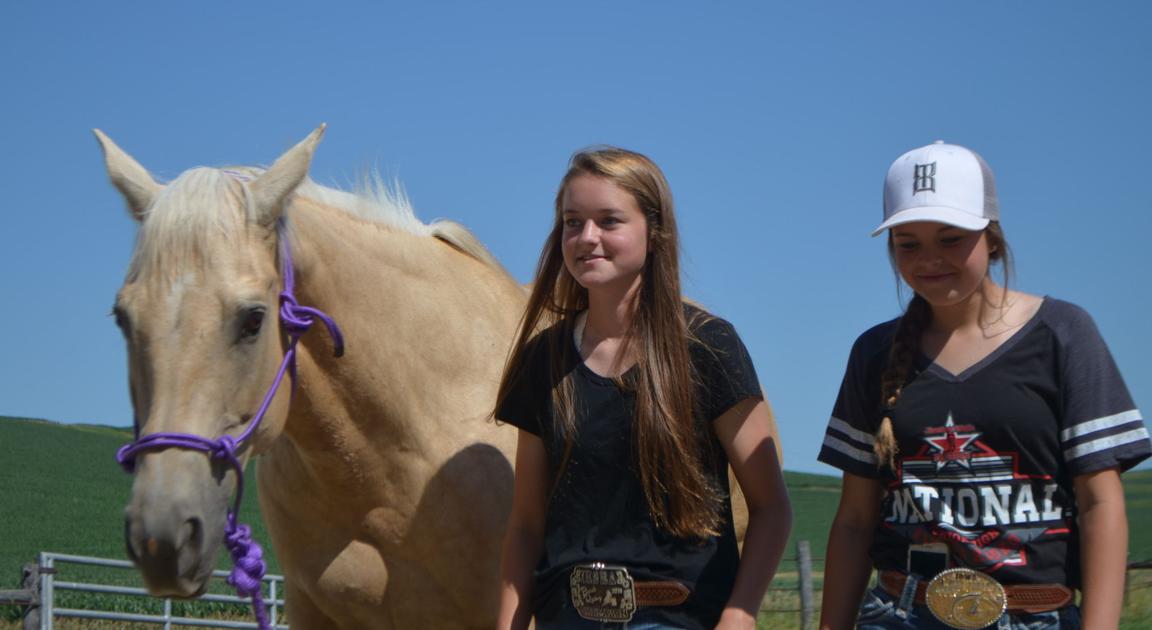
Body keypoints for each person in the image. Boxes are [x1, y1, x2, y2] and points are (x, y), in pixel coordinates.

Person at [818, 140, 1151, 629]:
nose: (929, 258)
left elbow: (1100, 501)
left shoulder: (1063, 334)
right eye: (908, 243)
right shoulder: (874, 353)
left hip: (1034, 616)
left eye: (951, 238)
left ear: (992, 238)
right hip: (901, 613)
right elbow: (854, 520)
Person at [493, 147, 792, 630]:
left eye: (608, 221)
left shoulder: (709, 347)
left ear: (655, 233)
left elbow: (771, 506)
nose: (587, 237)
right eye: (573, 222)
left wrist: (739, 616)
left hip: (679, 619)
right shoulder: (542, 359)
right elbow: (526, 525)